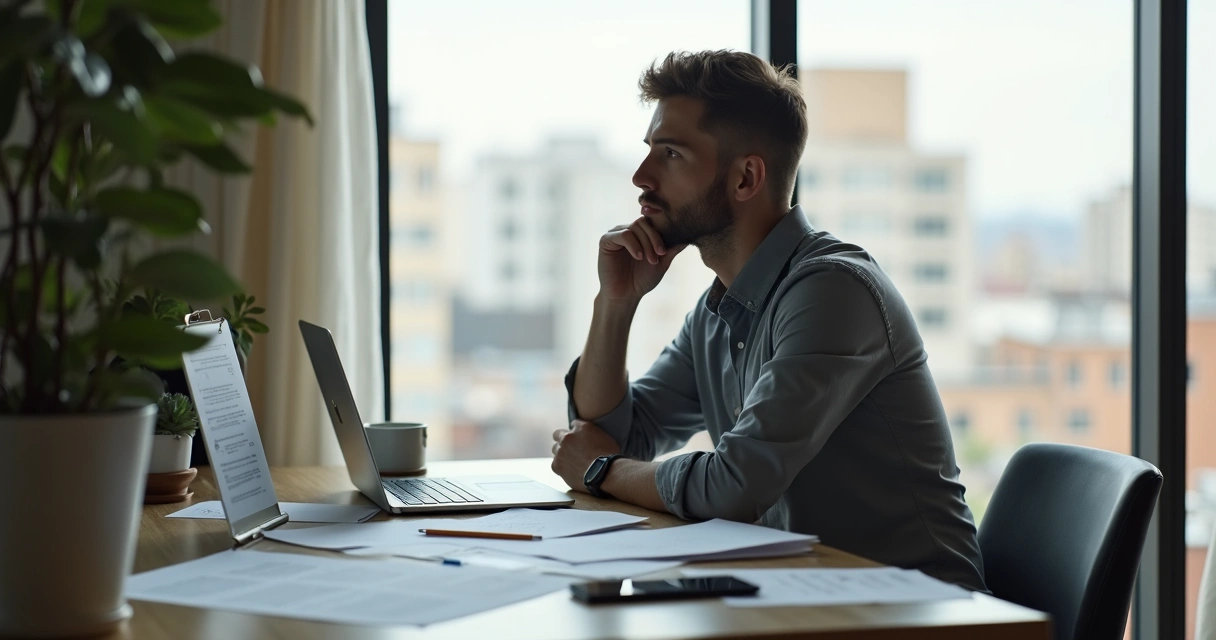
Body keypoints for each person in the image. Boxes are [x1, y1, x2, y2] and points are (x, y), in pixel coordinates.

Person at [549, 49, 987, 592]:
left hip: (919, 606)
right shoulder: (717, 311)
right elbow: (612, 434)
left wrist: (601, 470)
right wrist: (616, 304)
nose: (641, 177)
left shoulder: (833, 293)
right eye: (649, 151)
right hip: (802, 592)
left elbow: (732, 486)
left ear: (746, 178)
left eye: (671, 154)